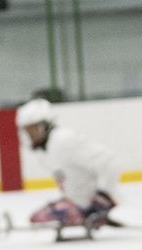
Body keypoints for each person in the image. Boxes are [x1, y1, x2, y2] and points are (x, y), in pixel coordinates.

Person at [16, 98, 120, 231]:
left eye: (32, 129)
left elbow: (107, 161)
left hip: (89, 201)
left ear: (44, 126)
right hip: (77, 200)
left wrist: (104, 197)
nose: (29, 135)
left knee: (42, 217)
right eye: (27, 131)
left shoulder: (63, 141)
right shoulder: (45, 149)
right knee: (37, 217)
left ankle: (82, 210)